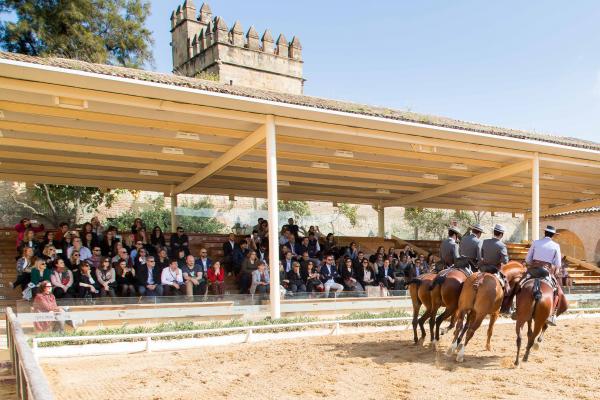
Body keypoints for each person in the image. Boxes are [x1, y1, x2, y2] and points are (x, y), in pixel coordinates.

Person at [524, 225, 564, 326]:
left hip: (533, 270)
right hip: (546, 272)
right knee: (557, 290)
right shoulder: (556, 246)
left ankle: (514, 308)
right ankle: (552, 315)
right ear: (553, 235)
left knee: (519, 284)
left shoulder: (536, 242)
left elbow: (528, 259)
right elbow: (558, 264)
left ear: (544, 233)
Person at [480, 224, 510, 313]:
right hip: (495, 270)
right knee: (506, 285)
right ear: (501, 234)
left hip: (483, 268)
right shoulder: (502, 245)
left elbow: (481, 255)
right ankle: (503, 306)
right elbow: (505, 261)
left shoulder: (484, 241)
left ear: (494, 232)